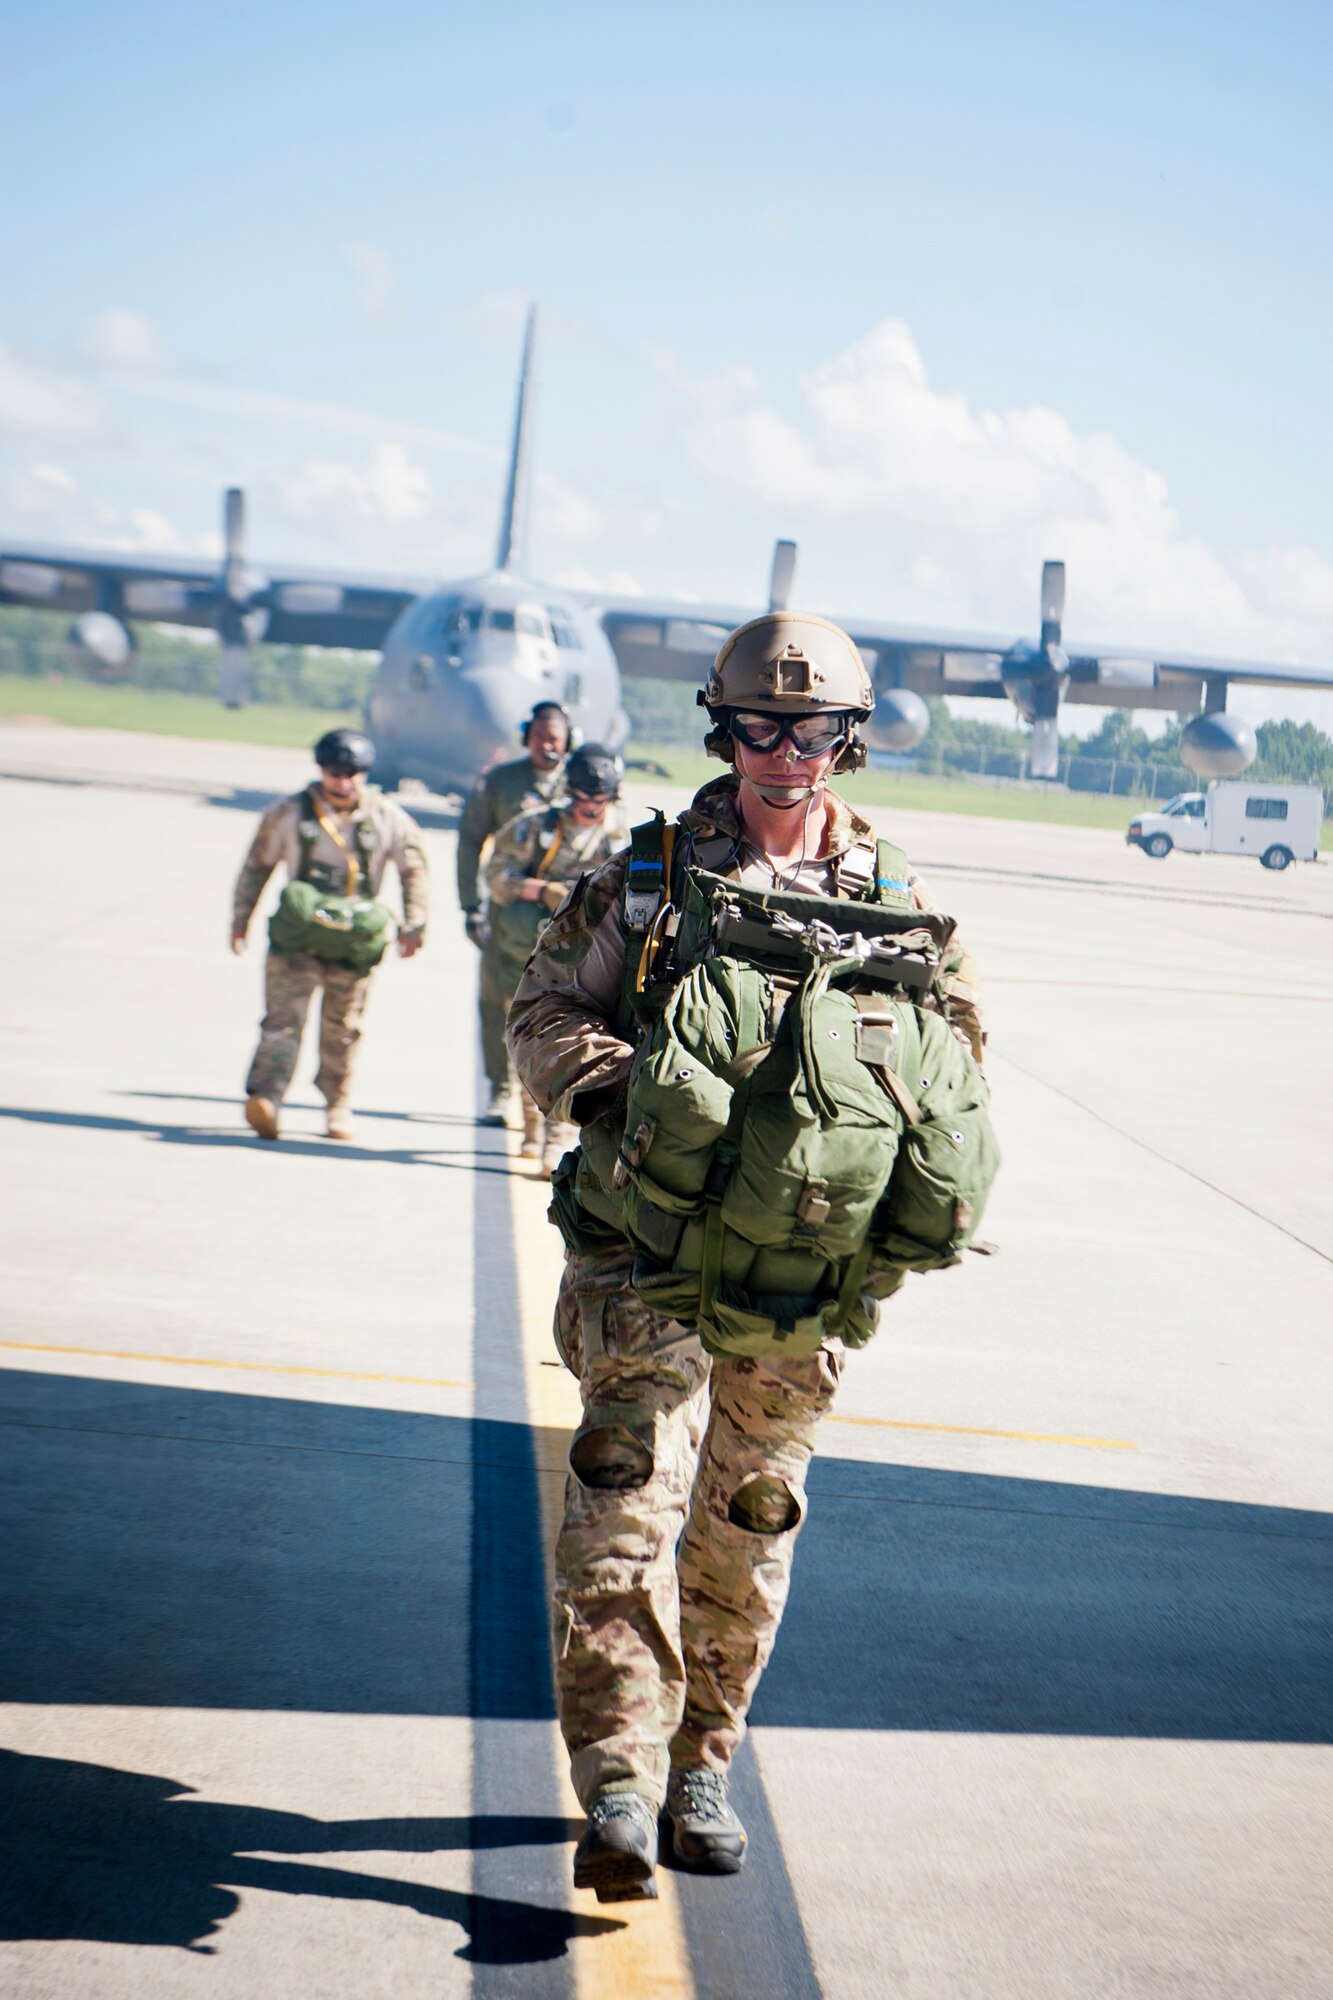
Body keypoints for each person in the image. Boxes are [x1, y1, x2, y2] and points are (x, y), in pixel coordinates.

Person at [506, 612, 984, 1903]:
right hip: (644, 1261)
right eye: (760, 728)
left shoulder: (892, 901)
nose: (785, 755)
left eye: (813, 729)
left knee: (750, 1526)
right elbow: (541, 1010)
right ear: (723, 730)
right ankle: (616, 1776)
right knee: (618, 1513)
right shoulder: (650, 877)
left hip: (797, 1278)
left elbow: (956, 1061)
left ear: (849, 740)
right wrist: (628, 1104)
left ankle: (702, 1765)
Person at [231, 727, 429, 1142]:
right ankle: (266, 1098)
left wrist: (414, 924)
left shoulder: (386, 818)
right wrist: (240, 919)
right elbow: (256, 867)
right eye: (335, 772)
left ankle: (336, 1104)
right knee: (283, 1021)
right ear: (321, 769)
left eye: (353, 773)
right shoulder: (288, 814)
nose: (343, 781)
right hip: (298, 940)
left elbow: (414, 868)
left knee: (343, 1029)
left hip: (352, 945)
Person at [482, 746, 630, 1169]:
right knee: (530, 1033)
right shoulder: (534, 828)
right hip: (529, 948)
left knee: (578, 1037)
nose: (589, 808)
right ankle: (533, 1128)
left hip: (595, 956)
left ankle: (556, 1137)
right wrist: (542, 891)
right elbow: (497, 877)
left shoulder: (625, 838)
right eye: (582, 799)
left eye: (598, 802)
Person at [457, 701, 572, 1124]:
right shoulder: (501, 783)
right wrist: (470, 905)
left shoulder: (581, 786)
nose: (547, 745)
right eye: (539, 736)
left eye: (555, 738)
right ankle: (500, 1090)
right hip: (506, 916)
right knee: (494, 1001)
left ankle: (546, 1092)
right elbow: (470, 839)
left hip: (564, 921)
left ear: (569, 741)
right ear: (526, 737)